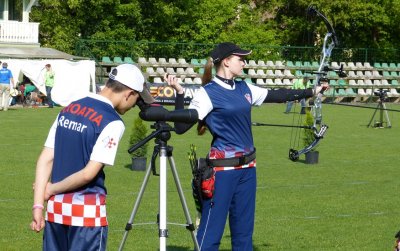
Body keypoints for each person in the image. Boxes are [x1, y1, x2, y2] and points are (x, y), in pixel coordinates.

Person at [164, 42, 328, 251]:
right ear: (226, 61)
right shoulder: (208, 93)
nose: (244, 62)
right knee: (210, 235)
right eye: (240, 59)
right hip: (222, 172)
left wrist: (312, 91)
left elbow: (278, 95)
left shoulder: (244, 88)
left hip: (248, 170)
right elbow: (179, 127)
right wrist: (179, 92)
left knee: (243, 235)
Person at [30, 64, 154, 250]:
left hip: (55, 213)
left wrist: (38, 205)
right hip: (87, 216)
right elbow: (88, 173)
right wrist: (51, 189)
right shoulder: (112, 122)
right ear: (128, 93)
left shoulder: (70, 108)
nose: (134, 105)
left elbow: (45, 159)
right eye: (136, 99)